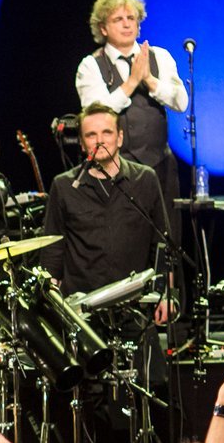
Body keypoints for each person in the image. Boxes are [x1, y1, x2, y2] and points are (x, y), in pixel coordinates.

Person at [40, 105, 174, 307]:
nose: (100, 141)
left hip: (134, 305)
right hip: (82, 310)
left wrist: (165, 294)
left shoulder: (145, 179)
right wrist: (52, 302)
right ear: (82, 143)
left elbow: (162, 243)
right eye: (91, 135)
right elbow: (52, 250)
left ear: (120, 138)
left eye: (107, 132)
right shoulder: (64, 186)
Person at [72, 0, 189, 200]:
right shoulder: (90, 66)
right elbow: (95, 115)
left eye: (131, 18)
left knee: (166, 230)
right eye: (118, 19)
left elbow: (181, 102)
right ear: (103, 28)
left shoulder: (160, 57)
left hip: (160, 166)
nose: (126, 24)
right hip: (115, 169)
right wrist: (131, 82)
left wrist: (150, 81)